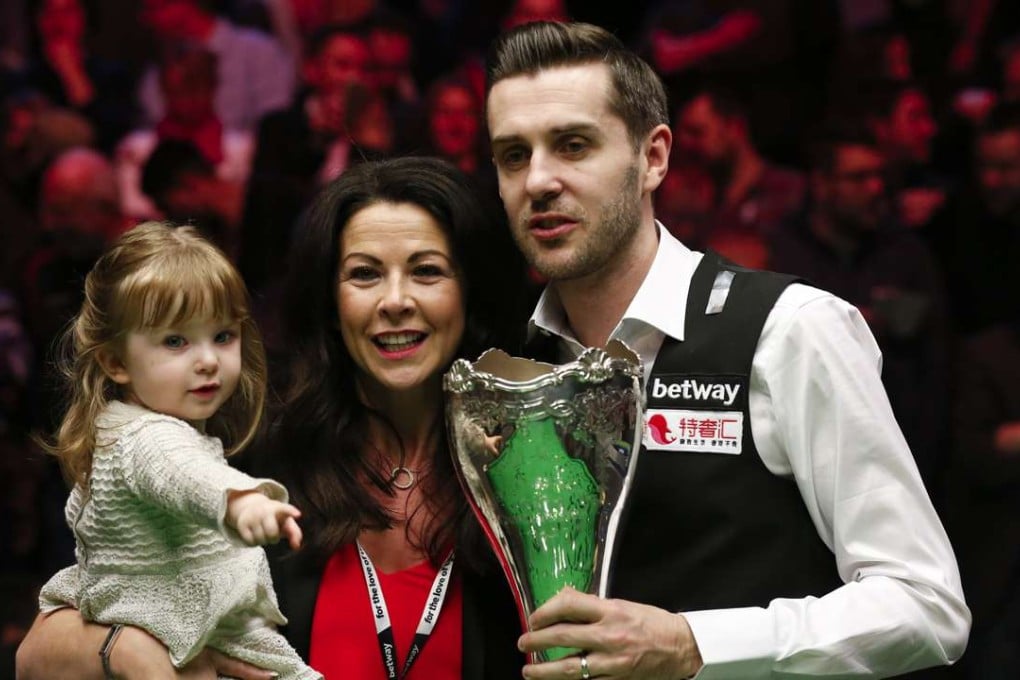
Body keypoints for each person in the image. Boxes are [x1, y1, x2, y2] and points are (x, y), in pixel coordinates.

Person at [484, 21, 970, 679]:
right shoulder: (510, 366)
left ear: (653, 157)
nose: (539, 180)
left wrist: (695, 644)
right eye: (514, 155)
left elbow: (927, 606)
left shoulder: (788, 329)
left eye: (573, 145)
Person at [16, 156, 528, 679]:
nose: (394, 301)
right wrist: (126, 652)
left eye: (426, 271)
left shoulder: (520, 471)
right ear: (331, 301)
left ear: (469, 292)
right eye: (365, 274)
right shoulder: (253, 454)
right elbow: (34, 655)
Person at [25, 220, 322, 679]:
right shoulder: (147, 437)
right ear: (115, 362)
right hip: (187, 635)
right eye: (175, 341)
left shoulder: (123, 428)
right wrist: (240, 501)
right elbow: (182, 473)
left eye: (222, 335)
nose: (207, 359)